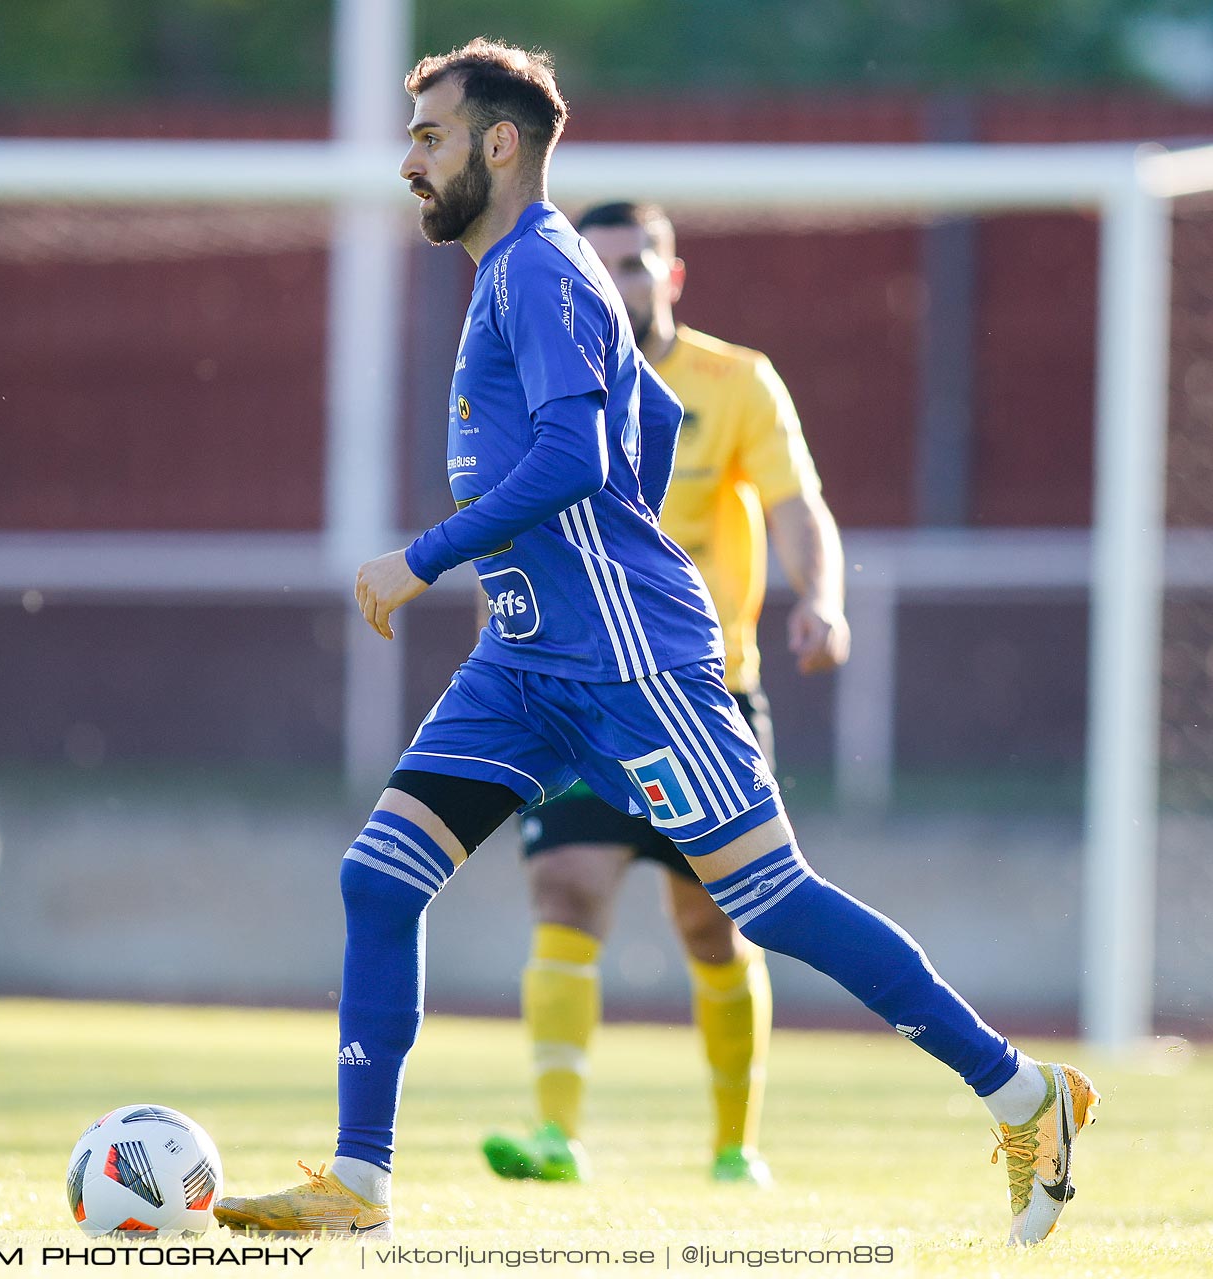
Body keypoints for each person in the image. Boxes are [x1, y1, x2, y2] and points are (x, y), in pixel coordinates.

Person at [212, 38, 1096, 1247]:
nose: (409, 160)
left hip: (630, 661)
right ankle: (360, 1183)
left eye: (430, 135)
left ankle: (1024, 1094)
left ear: (500, 143)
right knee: (381, 875)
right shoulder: (519, 272)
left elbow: (578, 460)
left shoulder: (536, 268)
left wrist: (421, 558)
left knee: (769, 903)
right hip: (525, 664)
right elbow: (650, 421)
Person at [479, 201, 850, 1189]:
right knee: (565, 889)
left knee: (716, 923)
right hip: (579, 693)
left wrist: (818, 596)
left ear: (671, 277)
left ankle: (736, 1147)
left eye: (637, 265)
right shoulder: (546, 385)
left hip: (702, 695)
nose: (619, 284)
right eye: (599, 268)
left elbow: (793, 504)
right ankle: (555, 1133)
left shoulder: (737, 384)